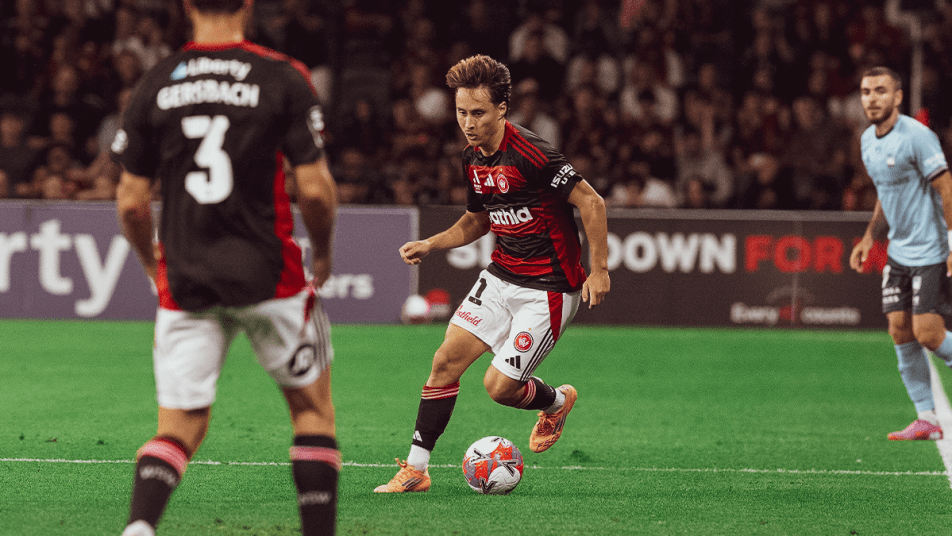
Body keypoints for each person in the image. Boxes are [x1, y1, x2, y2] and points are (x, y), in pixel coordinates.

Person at [113, 1, 340, 534]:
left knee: (179, 427)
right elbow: (314, 190)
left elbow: (130, 202)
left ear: (187, 5)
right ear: (248, 5)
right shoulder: (281, 76)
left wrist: (152, 264)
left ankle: (139, 528)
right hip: (271, 277)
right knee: (311, 411)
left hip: (187, 278)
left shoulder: (156, 81)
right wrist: (325, 252)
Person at [374, 54, 610, 493]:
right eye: (461, 111)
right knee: (444, 362)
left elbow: (591, 202)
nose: (468, 122)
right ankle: (416, 470)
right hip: (501, 278)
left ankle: (557, 401)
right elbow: (477, 220)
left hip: (549, 288)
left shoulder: (533, 154)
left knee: (499, 388)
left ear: (502, 109)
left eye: (478, 113)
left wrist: (599, 270)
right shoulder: (473, 158)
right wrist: (432, 243)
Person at [850, 66, 952, 441]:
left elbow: (947, 188)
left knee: (928, 333)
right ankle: (926, 418)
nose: (872, 98)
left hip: (930, 250)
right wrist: (869, 238)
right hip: (899, 252)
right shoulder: (867, 140)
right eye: (866, 92)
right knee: (899, 330)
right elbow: (885, 191)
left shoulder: (917, 136)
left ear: (897, 97)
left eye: (880, 91)